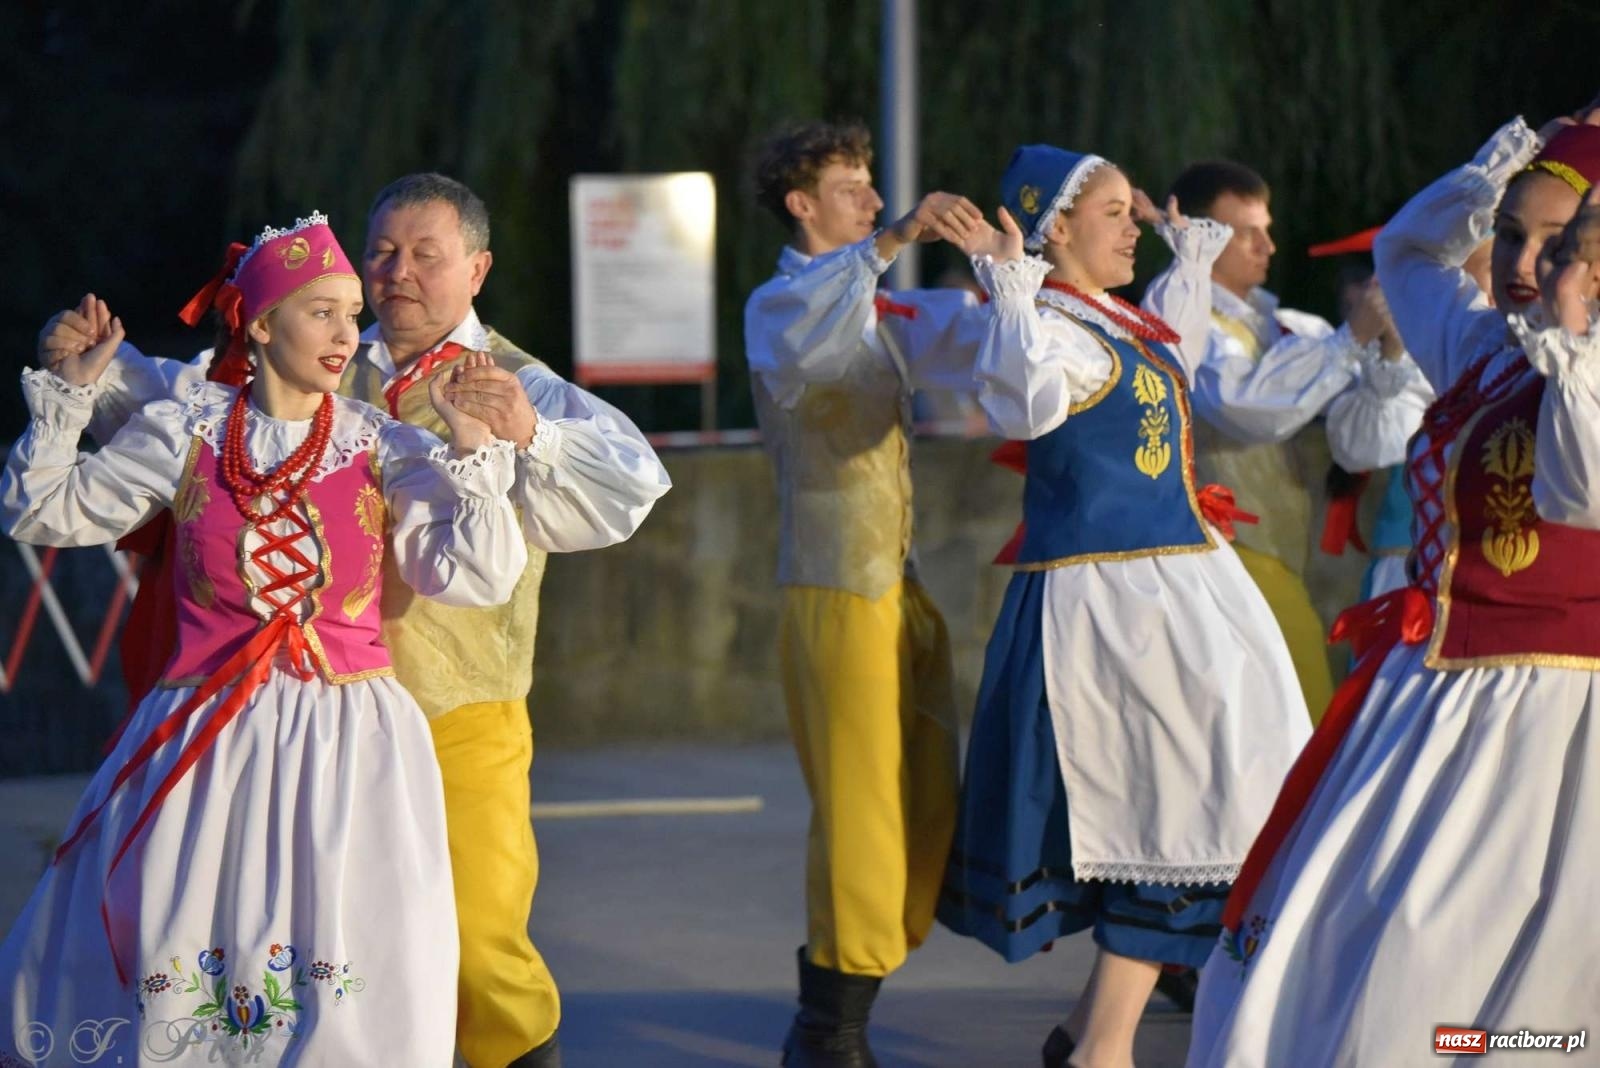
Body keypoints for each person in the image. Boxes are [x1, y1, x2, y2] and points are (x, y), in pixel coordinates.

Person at [41, 175, 672, 1068]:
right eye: (382, 251)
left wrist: (529, 430)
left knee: (481, 946)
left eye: (425, 255)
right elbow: (185, 419)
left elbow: (627, 486)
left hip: (460, 711)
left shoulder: (517, 382)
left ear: (477, 269)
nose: (397, 272)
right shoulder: (319, 350)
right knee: (320, 942)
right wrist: (96, 374)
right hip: (302, 719)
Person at [0, 213, 525, 1065]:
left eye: (351, 314)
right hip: (204, 737)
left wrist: (472, 453)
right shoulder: (187, 432)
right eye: (322, 312)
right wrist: (68, 400)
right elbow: (41, 512)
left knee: (342, 948)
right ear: (261, 325)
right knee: (186, 933)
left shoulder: (383, 447)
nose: (346, 334)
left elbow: (474, 576)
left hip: (347, 738)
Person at [1185, 106, 1600, 1068]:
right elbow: (1409, 250)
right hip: (1438, 697)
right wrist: (1503, 158)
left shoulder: (1571, 363)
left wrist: (1576, 333)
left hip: (1558, 716)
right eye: (1509, 233)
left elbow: (1580, 493)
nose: (1521, 263)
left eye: (1556, 244)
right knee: (1371, 938)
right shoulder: (1489, 348)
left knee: (1516, 968)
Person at [935, 144, 1311, 1068]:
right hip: (1109, 611)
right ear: (1055, 228)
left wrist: (1189, 251)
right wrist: (1011, 285)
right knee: (1178, 814)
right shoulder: (1048, 328)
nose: (1131, 228)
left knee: (1204, 809)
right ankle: (1100, 1047)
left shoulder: (1115, 319)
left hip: (1178, 592)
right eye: (1113, 214)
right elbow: (1022, 406)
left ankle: (1092, 1039)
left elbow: (1178, 339)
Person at [743, 119, 991, 1066]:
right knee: (860, 814)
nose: (876, 201)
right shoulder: (779, 303)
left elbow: (977, 342)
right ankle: (829, 1026)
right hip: (833, 586)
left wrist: (1019, 271)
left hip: (896, 584)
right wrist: (890, 243)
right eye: (853, 187)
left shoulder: (882, 306)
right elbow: (812, 338)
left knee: (925, 799)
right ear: (801, 203)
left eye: (873, 187)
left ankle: (839, 999)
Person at [1163, 161, 1396, 717]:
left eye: (1265, 230)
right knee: (1288, 729)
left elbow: (1371, 425)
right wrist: (1354, 338)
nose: (1267, 246)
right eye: (1247, 233)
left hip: (1279, 559)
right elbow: (1249, 408)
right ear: (1200, 237)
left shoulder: (1284, 324)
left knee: (1298, 724)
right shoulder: (1189, 325)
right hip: (1225, 559)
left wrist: (1390, 342)